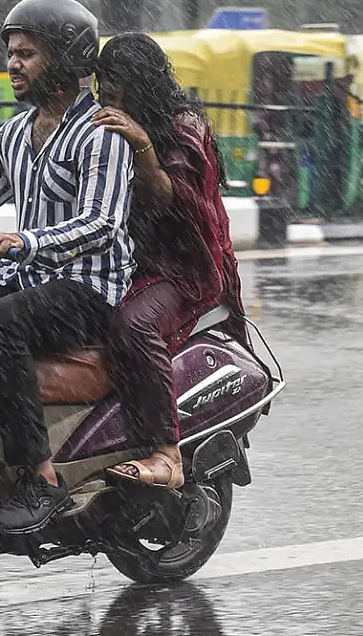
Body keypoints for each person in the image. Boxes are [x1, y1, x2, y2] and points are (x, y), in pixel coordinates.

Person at [0, 0, 135, 534]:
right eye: (11, 53)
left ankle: (40, 477)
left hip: (89, 287)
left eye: (27, 53)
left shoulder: (100, 134)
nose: (12, 64)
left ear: (65, 60)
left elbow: (102, 225)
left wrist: (20, 241)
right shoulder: (13, 136)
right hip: (29, 275)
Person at [90, 32, 249, 489]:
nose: (109, 95)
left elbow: (172, 202)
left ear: (143, 83)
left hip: (184, 267)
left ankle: (167, 452)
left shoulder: (181, 128)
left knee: (134, 326)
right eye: (104, 84)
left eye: (118, 84)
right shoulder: (109, 121)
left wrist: (142, 146)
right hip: (129, 257)